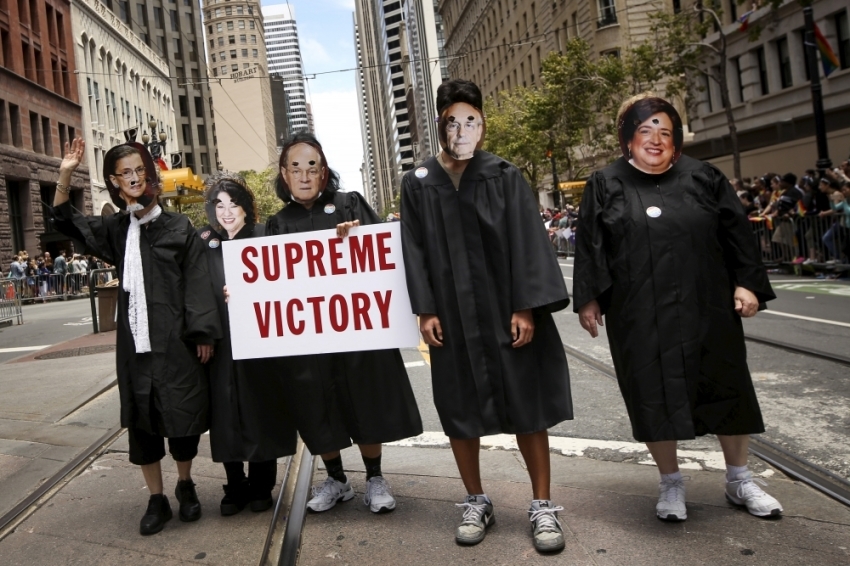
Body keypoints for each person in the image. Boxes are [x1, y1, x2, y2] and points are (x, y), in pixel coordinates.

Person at [573, 94, 783, 523]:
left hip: (706, 304)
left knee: (725, 384)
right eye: (645, 130)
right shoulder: (605, 183)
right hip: (639, 310)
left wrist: (746, 284)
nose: (655, 139)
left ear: (677, 140)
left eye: (665, 131)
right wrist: (590, 298)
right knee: (652, 391)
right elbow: (592, 244)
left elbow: (737, 234)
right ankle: (670, 482)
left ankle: (739, 479)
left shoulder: (705, 177)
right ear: (627, 139)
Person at [400, 79, 573, 553]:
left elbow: (527, 241)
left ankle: (542, 505)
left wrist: (525, 306)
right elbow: (411, 249)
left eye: (470, 120)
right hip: (451, 318)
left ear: (482, 124)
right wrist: (426, 309)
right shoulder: (417, 183)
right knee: (458, 408)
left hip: (505, 311)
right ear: (438, 124)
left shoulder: (504, 174)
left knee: (527, 405)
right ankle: (476, 499)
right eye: (451, 120)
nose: (461, 128)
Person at [50, 139, 222, 536]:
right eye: (123, 173)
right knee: (142, 423)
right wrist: (64, 173)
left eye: (138, 170)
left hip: (176, 341)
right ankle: (156, 499)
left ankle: (185, 483)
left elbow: (197, 282)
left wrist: (203, 333)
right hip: (136, 346)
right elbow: (65, 220)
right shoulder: (115, 230)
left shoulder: (178, 226)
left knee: (181, 419)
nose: (132, 178)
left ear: (150, 174)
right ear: (114, 182)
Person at [264, 131, 422, 515]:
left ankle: (375, 477)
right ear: (285, 176)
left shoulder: (349, 204)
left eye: (311, 167)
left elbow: (383, 254)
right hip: (308, 342)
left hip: (357, 334)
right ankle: (336, 478)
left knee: (365, 399)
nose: (304, 176)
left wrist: (357, 239)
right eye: (295, 168)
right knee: (316, 405)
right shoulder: (276, 225)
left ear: (324, 172)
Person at [198, 171, 298, 515]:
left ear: (246, 207)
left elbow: (289, 277)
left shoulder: (264, 234)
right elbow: (196, 291)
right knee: (225, 413)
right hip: (221, 341)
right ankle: (234, 483)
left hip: (260, 338)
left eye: (233, 204)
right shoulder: (206, 242)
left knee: (262, 409)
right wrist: (204, 334)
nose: (226, 212)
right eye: (219, 205)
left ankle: (261, 484)